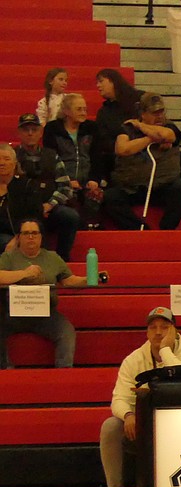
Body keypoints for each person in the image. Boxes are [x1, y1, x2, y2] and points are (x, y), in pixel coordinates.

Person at [97, 306, 181, 487]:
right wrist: (128, 415)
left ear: (174, 331)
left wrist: (165, 351)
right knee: (110, 426)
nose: (158, 332)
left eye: (164, 327)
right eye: (153, 327)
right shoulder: (133, 360)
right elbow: (119, 399)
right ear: (146, 332)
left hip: (179, 426)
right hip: (142, 426)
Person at [0, 217, 95, 368]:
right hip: (12, 314)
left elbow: (68, 280)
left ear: (41, 237)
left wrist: (90, 279)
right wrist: (24, 274)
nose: (30, 237)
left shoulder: (52, 257)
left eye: (34, 233)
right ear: (18, 237)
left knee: (66, 331)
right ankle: (5, 370)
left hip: (45, 314)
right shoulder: (8, 257)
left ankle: (63, 371)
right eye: (26, 233)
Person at [105, 93, 181, 231]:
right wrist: (152, 139)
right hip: (132, 187)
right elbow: (123, 149)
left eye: (161, 112)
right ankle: (139, 228)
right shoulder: (127, 128)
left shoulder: (170, 126)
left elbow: (167, 135)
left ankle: (167, 229)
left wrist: (142, 127)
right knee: (110, 197)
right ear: (143, 113)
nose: (159, 116)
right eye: (154, 113)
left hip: (161, 186)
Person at [15, 113, 80, 261]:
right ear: (18, 133)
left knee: (70, 216)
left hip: (49, 208)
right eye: (26, 130)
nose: (30, 133)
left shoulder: (52, 156)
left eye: (34, 129)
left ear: (40, 132)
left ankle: (62, 260)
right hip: (21, 211)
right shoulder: (11, 157)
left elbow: (65, 187)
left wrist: (50, 205)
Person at [43, 93, 102, 228]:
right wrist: (67, 180)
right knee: (69, 199)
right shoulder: (52, 129)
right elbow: (51, 158)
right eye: (79, 109)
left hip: (87, 181)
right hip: (63, 181)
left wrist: (94, 179)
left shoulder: (91, 128)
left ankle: (91, 229)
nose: (83, 113)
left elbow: (97, 157)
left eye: (85, 109)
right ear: (66, 111)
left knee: (96, 196)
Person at [92, 68, 143, 189]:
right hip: (119, 154)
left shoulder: (140, 99)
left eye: (101, 81)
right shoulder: (104, 112)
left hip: (146, 147)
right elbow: (103, 139)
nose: (98, 86)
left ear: (113, 81)